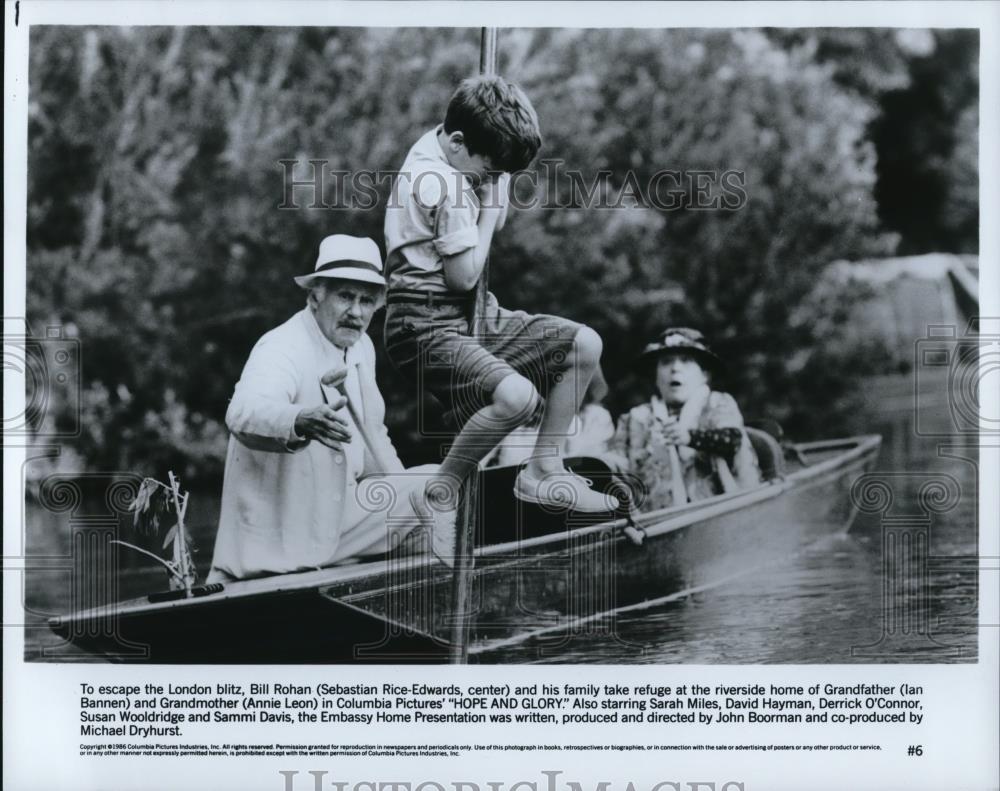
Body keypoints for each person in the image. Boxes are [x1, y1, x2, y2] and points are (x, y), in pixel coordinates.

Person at [383, 75, 618, 539]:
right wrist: (489, 208)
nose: (491, 181)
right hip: (422, 323)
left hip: (470, 310)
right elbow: (464, 274)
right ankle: (439, 494)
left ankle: (543, 469)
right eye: (489, 171)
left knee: (583, 345)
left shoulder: (447, 144)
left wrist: (494, 181)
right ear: (457, 142)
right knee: (516, 398)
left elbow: (493, 205)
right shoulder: (442, 185)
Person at [207, 235, 442, 582]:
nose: (356, 312)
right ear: (315, 296)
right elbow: (242, 412)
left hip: (339, 519)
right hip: (281, 539)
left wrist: (404, 498)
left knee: (439, 487)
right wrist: (298, 420)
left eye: (366, 300)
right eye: (345, 296)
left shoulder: (361, 347)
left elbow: (374, 437)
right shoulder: (282, 346)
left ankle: (427, 599)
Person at [610, 327, 761, 512]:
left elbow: (733, 439)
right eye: (666, 362)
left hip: (722, 512)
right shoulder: (635, 418)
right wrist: (601, 462)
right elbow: (617, 464)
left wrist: (690, 437)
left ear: (704, 375)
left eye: (686, 361)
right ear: (655, 376)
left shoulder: (718, 403)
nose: (675, 368)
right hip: (655, 519)